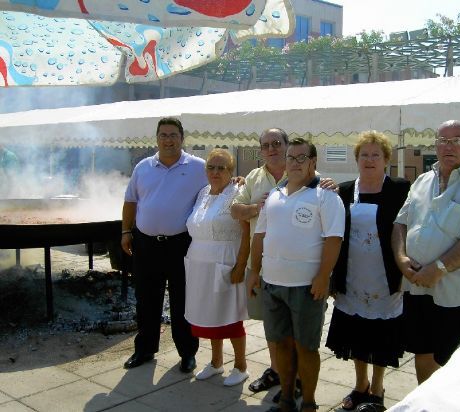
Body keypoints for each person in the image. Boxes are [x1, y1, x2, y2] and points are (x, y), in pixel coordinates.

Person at [392, 120, 460, 385]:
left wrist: (438, 269)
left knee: (456, 365)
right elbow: (400, 223)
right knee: (423, 352)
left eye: (457, 140)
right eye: (442, 141)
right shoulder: (422, 180)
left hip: (456, 296)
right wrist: (401, 259)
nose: (448, 146)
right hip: (418, 288)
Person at [230, 128, 336, 400]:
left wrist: (324, 275)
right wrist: (257, 208)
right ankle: (279, 375)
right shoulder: (255, 179)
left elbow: (333, 236)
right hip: (266, 272)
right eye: (265, 145)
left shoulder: (319, 186)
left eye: (277, 143)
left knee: (303, 342)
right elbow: (237, 212)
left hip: (303, 280)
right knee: (276, 333)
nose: (271, 149)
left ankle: (302, 389)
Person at [326, 131, 410, 412]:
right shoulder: (345, 189)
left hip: (385, 277)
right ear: (357, 159)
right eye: (364, 155)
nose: (370, 160)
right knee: (355, 334)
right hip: (352, 276)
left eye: (376, 155)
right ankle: (360, 384)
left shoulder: (400, 188)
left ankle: (377, 387)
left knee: (380, 337)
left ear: (386, 159)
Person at [121, 117, 207, 372]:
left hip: (182, 244)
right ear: (156, 138)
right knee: (146, 299)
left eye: (173, 135)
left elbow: (218, 186)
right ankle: (145, 349)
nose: (168, 140)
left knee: (183, 301)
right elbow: (130, 201)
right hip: (145, 244)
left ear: (182, 138)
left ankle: (187, 353)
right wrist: (126, 231)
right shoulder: (143, 167)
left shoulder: (198, 167)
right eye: (163, 135)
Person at [184, 148, 250, 386]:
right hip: (199, 263)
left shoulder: (238, 192)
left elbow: (246, 233)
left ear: (231, 171)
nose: (215, 172)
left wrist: (241, 266)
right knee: (211, 315)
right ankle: (216, 362)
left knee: (230, 317)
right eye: (211, 167)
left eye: (221, 167)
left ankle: (241, 366)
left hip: (226, 261)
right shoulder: (202, 193)